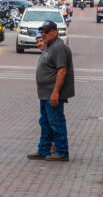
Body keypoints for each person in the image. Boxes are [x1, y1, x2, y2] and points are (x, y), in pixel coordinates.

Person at [27, 20, 74, 162]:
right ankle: (44, 149)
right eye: (42, 32)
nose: (44, 34)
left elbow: (62, 70)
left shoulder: (59, 47)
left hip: (52, 94)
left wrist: (55, 92)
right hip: (44, 93)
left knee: (56, 122)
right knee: (45, 122)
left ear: (55, 31)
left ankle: (61, 151)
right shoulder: (50, 46)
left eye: (46, 32)